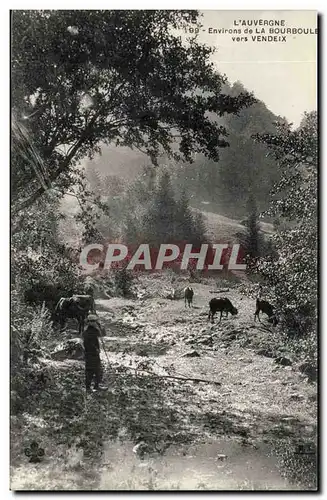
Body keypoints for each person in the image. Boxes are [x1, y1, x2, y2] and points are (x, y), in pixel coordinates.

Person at [83, 314, 105, 391]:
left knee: (97, 370)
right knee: (91, 370)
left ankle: (96, 385)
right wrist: (99, 326)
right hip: (91, 354)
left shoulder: (90, 331)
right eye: (92, 321)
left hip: (93, 354)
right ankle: (89, 387)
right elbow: (102, 333)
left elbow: (102, 334)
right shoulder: (90, 331)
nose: (94, 323)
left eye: (94, 321)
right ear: (89, 322)